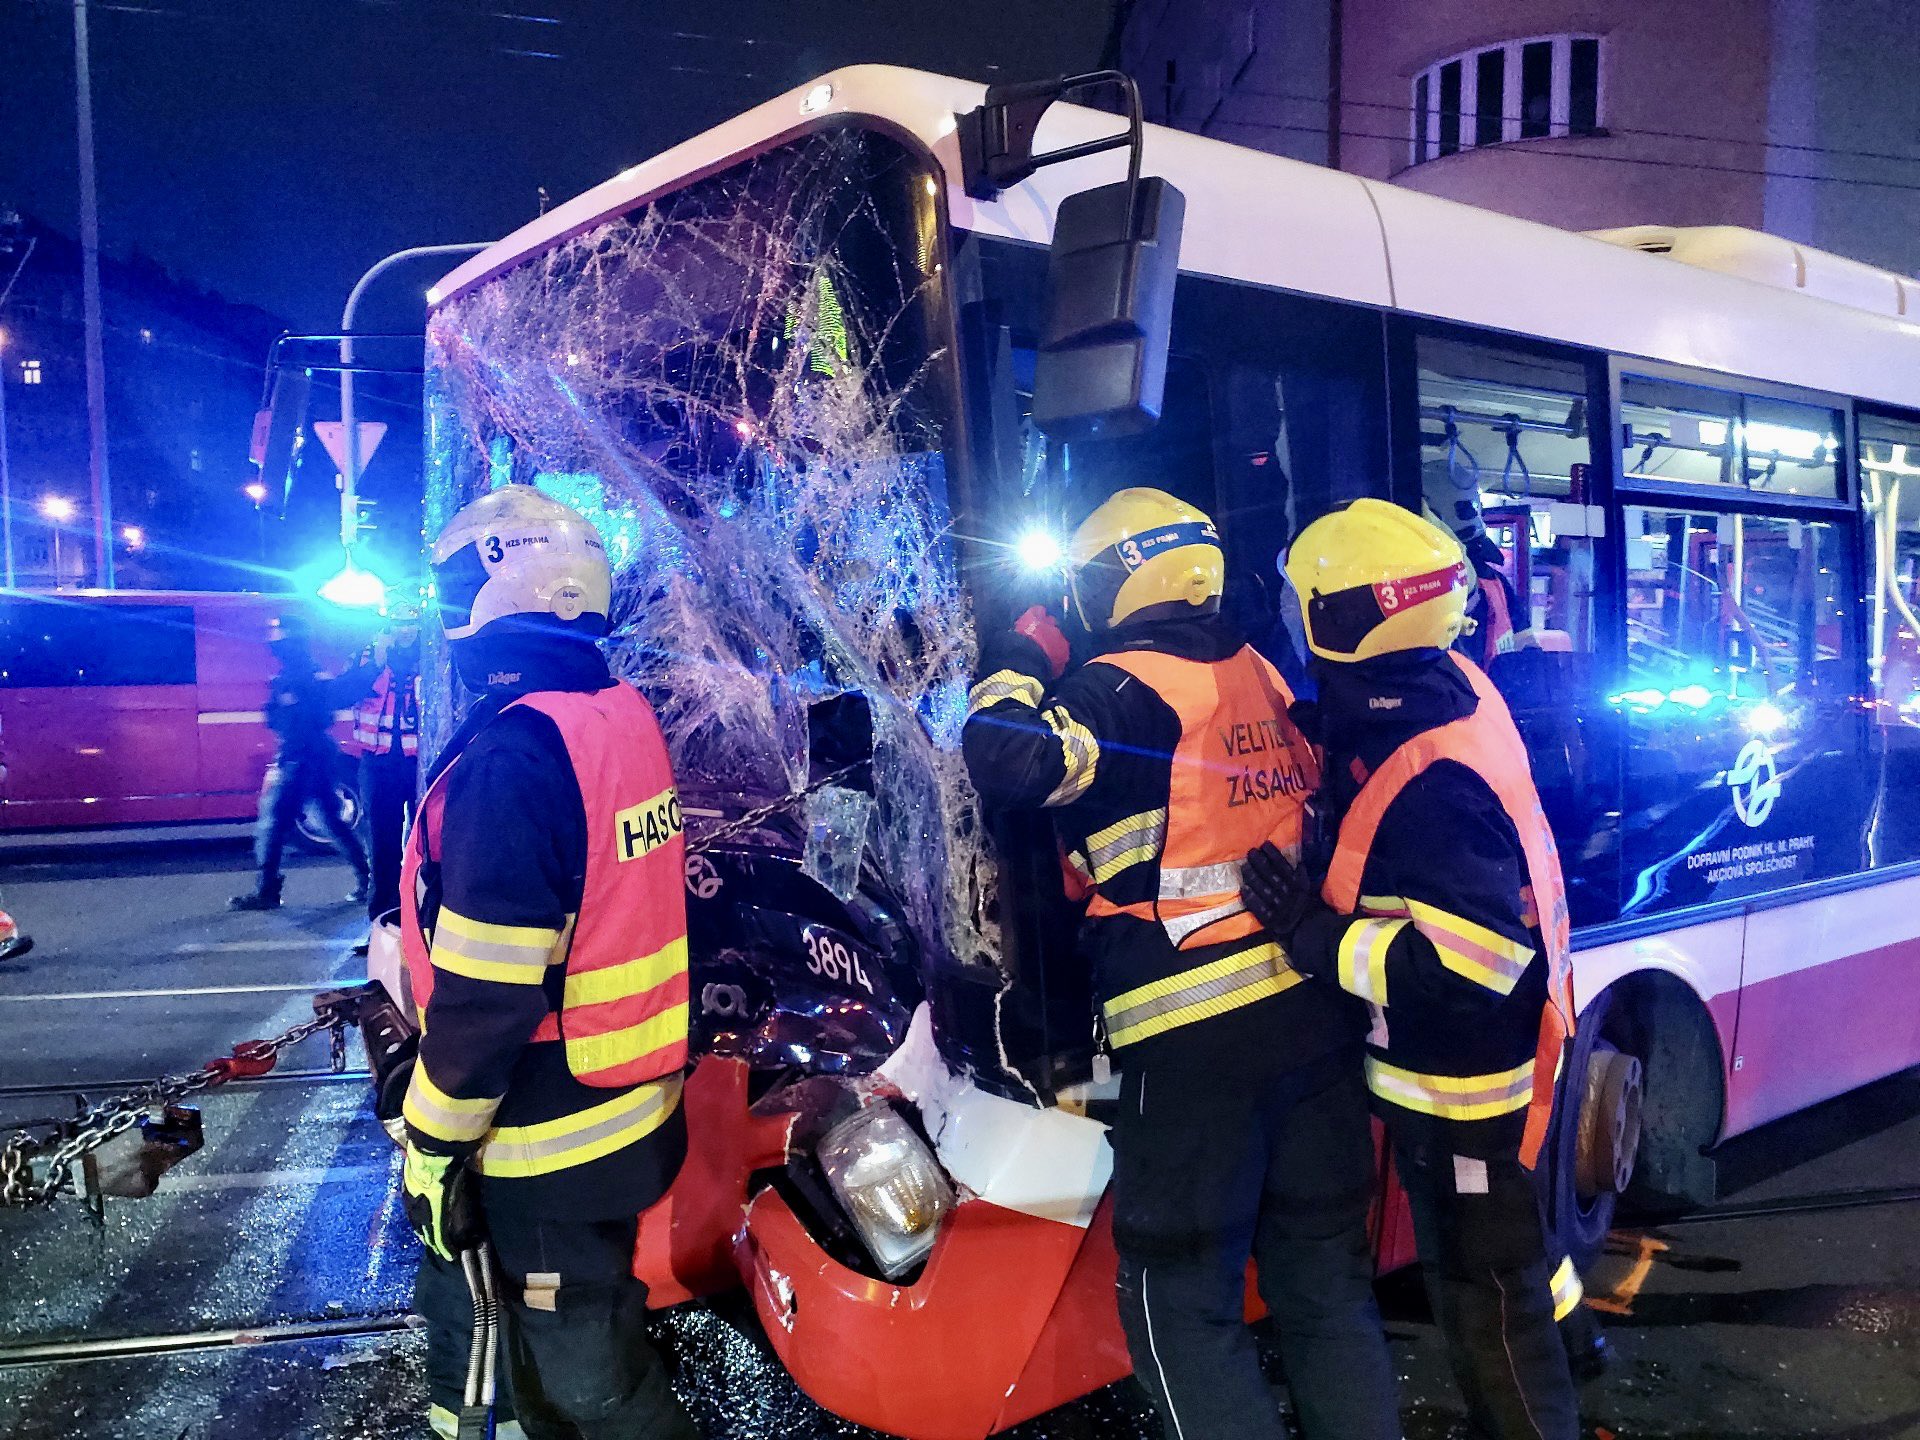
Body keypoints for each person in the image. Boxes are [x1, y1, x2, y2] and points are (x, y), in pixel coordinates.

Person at [961, 487, 1402, 1440]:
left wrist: (1018, 658)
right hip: (1315, 1028)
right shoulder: (1265, 677)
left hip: (1194, 1047)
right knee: (1325, 1291)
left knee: (1180, 1305)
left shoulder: (1118, 688)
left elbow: (1004, 757)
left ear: (1115, 582)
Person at [1242, 496, 1588, 1440]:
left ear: (1347, 620)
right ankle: (1582, 1346)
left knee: (1486, 1301)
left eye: (1305, 603)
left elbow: (1474, 959)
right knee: (1516, 1260)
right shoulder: (1451, 689)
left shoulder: (1429, 774)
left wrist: (1314, 938)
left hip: (1464, 1088)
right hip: (1484, 1070)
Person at [397, 486, 698, 1440]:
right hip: (624, 1106)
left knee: (591, 1381)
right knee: (575, 1361)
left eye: (453, 582)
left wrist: (435, 1149)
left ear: (501, 583)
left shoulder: (515, 754)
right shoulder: (614, 713)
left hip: (544, 1136)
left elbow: (489, 993)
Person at [229, 616, 369, 911]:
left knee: (274, 823)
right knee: (328, 820)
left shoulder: (299, 676)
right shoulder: (302, 673)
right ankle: (366, 879)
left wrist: (289, 746)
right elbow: (279, 715)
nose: (274, 644)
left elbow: (292, 718)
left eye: (278, 639)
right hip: (311, 754)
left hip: (302, 757)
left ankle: (267, 891)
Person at [340, 606, 422, 925]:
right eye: (399, 624)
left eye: (412, 623)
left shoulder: (432, 657)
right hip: (378, 765)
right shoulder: (368, 659)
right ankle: (382, 926)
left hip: (420, 765)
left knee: (424, 848)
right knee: (382, 850)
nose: (406, 630)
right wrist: (374, 664)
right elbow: (341, 694)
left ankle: (420, 924)